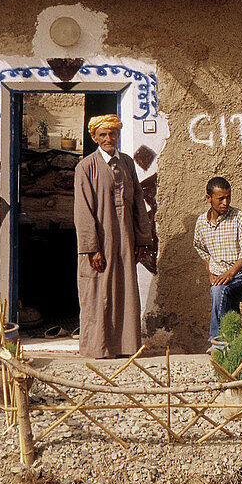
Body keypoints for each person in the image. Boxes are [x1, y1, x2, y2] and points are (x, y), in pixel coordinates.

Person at [74, 114, 153, 358]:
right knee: (98, 291)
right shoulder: (86, 167)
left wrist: (141, 239)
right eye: (103, 135)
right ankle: (98, 347)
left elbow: (139, 202)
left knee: (125, 289)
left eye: (113, 134)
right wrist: (92, 248)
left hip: (126, 240)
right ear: (95, 138)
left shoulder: (127, 163)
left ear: (118, 135)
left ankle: (125, 346)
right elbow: (83, 210)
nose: (109, 139)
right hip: (101, 241)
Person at [193, 176, 242, 345]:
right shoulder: (202, 222)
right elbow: (201, 249)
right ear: (208, 198)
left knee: (219, 291)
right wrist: (210, 272)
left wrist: (231, 273)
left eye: (228, 197)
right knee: (224, 295)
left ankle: (217, 341)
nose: (225, 202)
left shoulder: (240, 217)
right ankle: (235, 341)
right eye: (220, 198)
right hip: (221, 278)